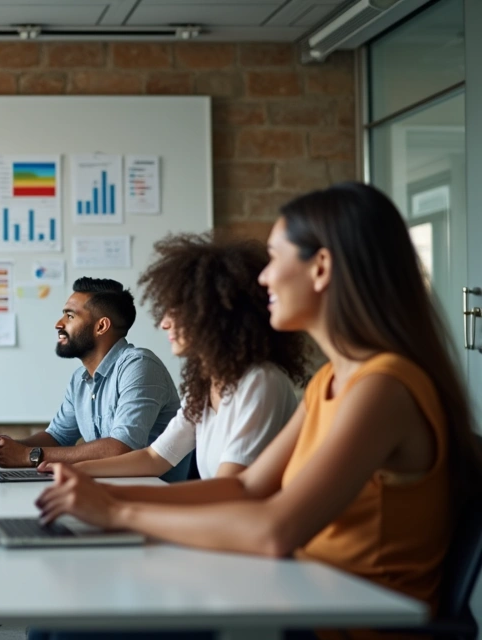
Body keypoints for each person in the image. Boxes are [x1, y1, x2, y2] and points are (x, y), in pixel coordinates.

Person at [36, 183, 482, 636]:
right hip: (304, 592)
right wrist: (97, 499)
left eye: (275, 257)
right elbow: (247, 486)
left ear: (321, 267)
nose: (264, 278)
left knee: (78, 624)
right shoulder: (330, 380)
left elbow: (275, 531)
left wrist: (116, 513)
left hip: (347, 620)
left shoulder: (381, 388)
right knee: (68, 616)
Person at [46, 235, 309, 481]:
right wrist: (72, 472)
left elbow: (232, 489)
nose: (164, 323)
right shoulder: (206, 386)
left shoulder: (260, 381)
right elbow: (154, 457)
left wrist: (120, 508)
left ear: (216, 314)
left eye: (176, 311)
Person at [0, 278, 189, 482]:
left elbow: (121, 448)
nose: (59, 324)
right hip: (108, 488)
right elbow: (57, 437)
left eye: (70, 315)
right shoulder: (80, 379)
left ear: (101, 326)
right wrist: (8, 448)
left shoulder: (139, 365)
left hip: (154, 494)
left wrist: (28, 456)